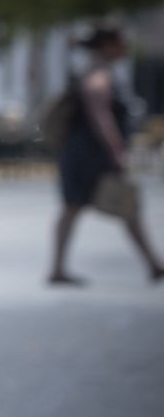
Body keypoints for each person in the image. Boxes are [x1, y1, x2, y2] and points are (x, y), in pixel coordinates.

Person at [48, 25, 164, 285]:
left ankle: (153, 263)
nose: (124, 48)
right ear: (107, 46)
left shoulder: (95, 70)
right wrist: (116, 150)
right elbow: (101, 115)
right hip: (90, 155)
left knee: (115, 206)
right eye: (120, 43)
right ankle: (153, 263)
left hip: (83, 153)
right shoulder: (99, 74)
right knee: (80, 207)